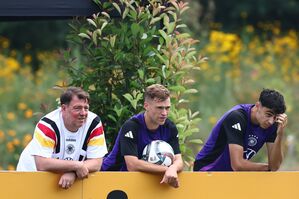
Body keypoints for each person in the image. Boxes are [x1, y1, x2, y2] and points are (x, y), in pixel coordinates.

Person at [17, 87, 108, 189]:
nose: (83, 113)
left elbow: (96, 162)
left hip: (64, 177)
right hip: (31, 174)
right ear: (64, 108)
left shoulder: (94, 122)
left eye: (86, 108)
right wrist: (76, 166)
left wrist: (73, 172)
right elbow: (42, 164)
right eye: (77, 108)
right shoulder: (48, 124)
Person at [101, 84, 184, 188]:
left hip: (140, 183)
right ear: (146, 106)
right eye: (159, 108)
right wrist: (167, 169)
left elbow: (179, 160)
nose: (164, 113)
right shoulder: (131, 126)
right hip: (109, 178)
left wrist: (173, 168)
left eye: (167, 108)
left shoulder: (170, 127)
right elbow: (132, 165)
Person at [193, 88, 288, 171]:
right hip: (207, 170)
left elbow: (275, 167)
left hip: (232, 176)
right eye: (268, 114)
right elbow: (237, 165)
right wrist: (267, 168)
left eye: (275, 117)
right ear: (258, 105)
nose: (271, 121)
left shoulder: (272, 124)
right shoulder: (237, 117)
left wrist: (280, 135)